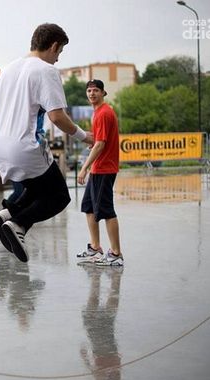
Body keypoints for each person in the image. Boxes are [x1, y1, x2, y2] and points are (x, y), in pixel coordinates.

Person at [0, 23, 93, 263]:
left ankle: (8, 213)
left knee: (39, 189)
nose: (58, 59)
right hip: (24, 146)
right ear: (54, 46)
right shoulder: (46, 71)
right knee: (59, 196)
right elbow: (57, 116)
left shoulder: (8, 69)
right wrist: (83, 135)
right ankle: (18, 223)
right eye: (60, 52)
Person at [76, 79, 123, 266]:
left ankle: (116, 254)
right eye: (89, 90)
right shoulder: (97, 113)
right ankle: (95, 249)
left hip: (104, 168)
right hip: (98, 168)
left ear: (103, 93)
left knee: (106, 211)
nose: (92, 93)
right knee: (89, 207)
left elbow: (101, 145)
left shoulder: (103, 113)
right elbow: (99, 141)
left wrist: (84, 168)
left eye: (96, 90)